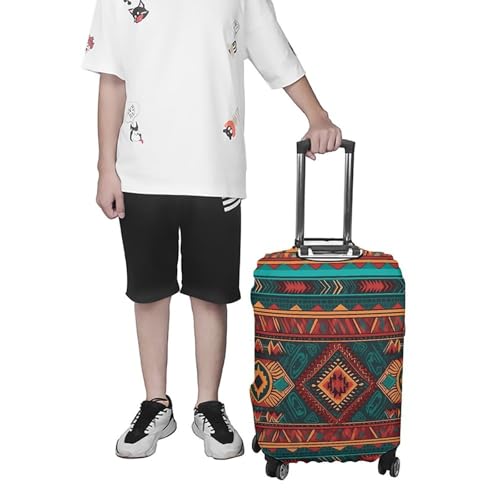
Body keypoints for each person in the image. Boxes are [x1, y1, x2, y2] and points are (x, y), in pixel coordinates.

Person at [82, 0, 342, 460]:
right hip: (142, 171)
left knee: (211, 293)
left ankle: (209, 405)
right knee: (149, 292)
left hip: (214, 170)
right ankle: (156, 403)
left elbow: (276, 52)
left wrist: (317, 116)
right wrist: (106, 167)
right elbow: (112, 77)